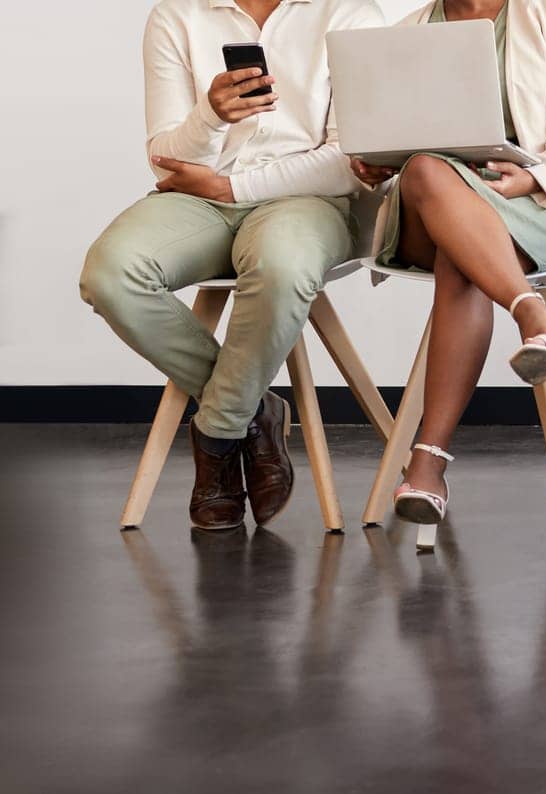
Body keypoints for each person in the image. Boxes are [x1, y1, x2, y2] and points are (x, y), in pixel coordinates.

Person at [80, 0, 385, 531]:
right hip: (201, 197)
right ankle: (254, 410)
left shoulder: (351, 14)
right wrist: (211, 116)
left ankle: (219, 433)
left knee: (282, 265)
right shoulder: (177, 15)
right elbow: (166, 155)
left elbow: (351, 159)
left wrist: (233, 186)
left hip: (309, 197)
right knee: (111, 274)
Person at [348, 0, 546, 527]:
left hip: (533, 202)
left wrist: (535, 178)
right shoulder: (407, 33)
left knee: (462, 258)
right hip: (427, 204)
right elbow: (371, 142)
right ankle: (532, 314)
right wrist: (367, 161)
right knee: (425, 170)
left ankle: (428, 464)